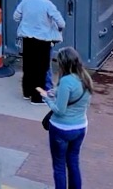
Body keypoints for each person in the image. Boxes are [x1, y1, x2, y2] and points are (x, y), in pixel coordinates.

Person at [36, 46, 93, 189]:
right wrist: (54, 92)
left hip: (62, 128)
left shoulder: (66, 81)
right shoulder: (85, 77)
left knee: (59, 166)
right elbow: (78, 98)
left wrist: (46, 98)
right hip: (80, 127)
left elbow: (59, 110)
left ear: (63, 63)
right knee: (73, 162)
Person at [13, 0, 65, 104]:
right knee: (41, 69)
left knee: (28, 66)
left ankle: (26, 93)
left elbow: (16, 16)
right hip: (43, 40)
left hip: (27, 38)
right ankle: (37, 98)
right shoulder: (48, 4)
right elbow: (61, 22)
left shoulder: (26, 0)